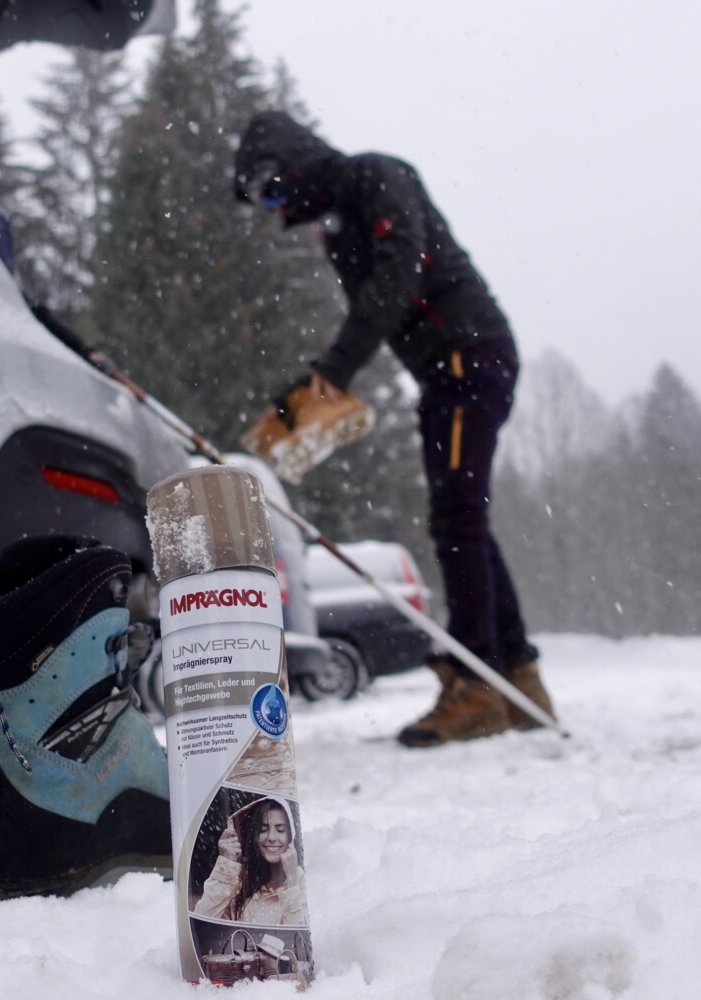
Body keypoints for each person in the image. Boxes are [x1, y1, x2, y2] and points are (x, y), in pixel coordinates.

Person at [233, 111, 555, 747]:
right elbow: (370, 309)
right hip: (444, 372)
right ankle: (520, 682)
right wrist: (310, 390)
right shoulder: (336, 230)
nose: (273, 210)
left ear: (290, 162)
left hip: (470, 354)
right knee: (462, 519)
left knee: (458, 519)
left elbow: (402, 267)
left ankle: (477, 682)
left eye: (271, 191)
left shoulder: (377, 177)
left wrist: (334, 370)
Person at [194, 796, 309, 925]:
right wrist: (225, 865)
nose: (271, 837)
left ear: (291, 835)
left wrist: (292, 881)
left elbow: (299, 940)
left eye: (280, 830)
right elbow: (202, 921)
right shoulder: (239, 879)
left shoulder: (302, 880)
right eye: (263, 830)